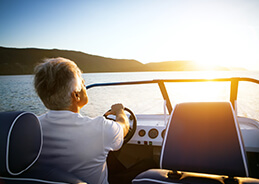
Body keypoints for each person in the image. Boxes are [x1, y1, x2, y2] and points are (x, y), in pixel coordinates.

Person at [34, 57, 129, 184]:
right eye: (83, 83)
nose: (85, 86)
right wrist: (119, 111)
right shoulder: (99, 128)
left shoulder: (31, 128)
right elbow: (124, 127)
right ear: (76, 95)